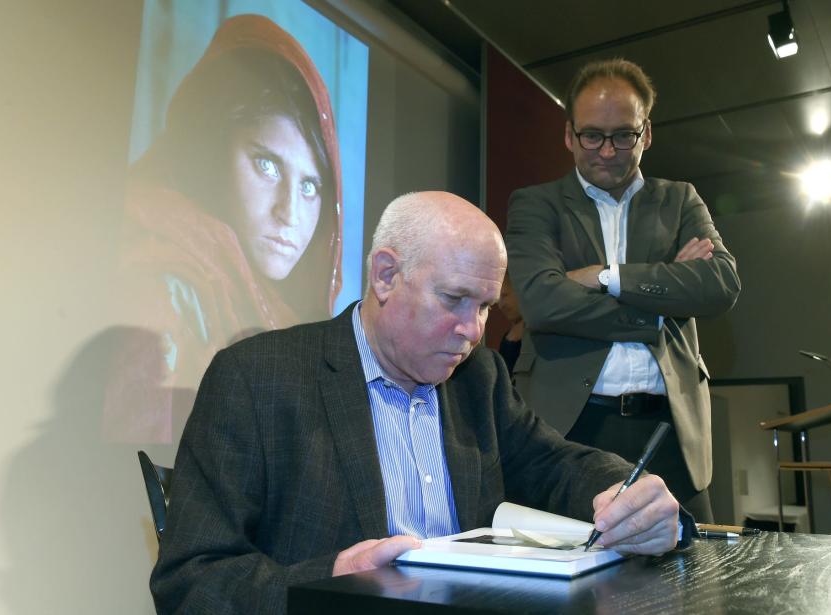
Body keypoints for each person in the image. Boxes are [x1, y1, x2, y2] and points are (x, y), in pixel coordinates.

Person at [150, 191, 686, 614]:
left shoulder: (477, 376)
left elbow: (552, 461)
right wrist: (327, 583)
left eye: (484, 308)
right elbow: (191, 580)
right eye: (454, 300)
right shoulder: (256, 378)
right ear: (386, 275)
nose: (472, 331)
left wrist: (626, 492)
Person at [505, 59, 741, 523]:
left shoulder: (681, 200)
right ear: (569, 135)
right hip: (569, 429)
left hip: (672, 434)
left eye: (623, 135)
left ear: (646, 133)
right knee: (560, 590)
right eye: (592, 135)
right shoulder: (535, 205)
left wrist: (606, 276)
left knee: (690, 583)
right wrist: (660, 304)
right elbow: (540, 302)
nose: (607, 151)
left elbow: (720, 285)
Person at [105, 15, 343, 442]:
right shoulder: (159, 283)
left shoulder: (283, 317)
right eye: (266, 165)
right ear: (212, 149)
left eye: (311, 186)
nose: (290, 212)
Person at [496, 273, 525, 377]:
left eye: (504, 295)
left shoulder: (537, 338)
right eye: (498, 299)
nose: (501, 305)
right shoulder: (507, 338)